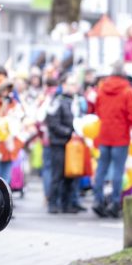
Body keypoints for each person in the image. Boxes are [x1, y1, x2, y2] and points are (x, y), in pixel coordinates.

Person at [91, 61, 132, 218]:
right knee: (118, 171)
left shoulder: (101, 89)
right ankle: (114, 203)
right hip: (120, 137)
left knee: (101, 169)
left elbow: (98, 111)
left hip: (104, 134)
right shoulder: (128, 91)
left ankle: (98, 201)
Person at [45, 74, 80, 214]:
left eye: (75, 84)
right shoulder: (57, 101)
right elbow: (53, 124)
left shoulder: (75, 101)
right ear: (64, 85)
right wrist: (69, 132)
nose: (74, 87)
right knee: (57, 175)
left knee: (70, 175)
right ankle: (53, 203)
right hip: (59, 143)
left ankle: (67, 204)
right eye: (71, 83)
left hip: (72, 144)